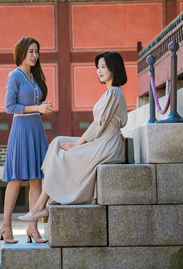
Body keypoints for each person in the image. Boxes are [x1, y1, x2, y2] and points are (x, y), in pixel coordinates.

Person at [18, 51, 128, 222]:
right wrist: (78, 143)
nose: (99, 71)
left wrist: (78, 144)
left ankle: (40, 206)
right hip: (101, 140)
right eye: (98, 67)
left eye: (104, 67)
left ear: (114, 68)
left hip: (108, 144)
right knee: (57, 142)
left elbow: (99, 124)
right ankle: (46, 201)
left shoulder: (114, 92)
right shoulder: (109, 93)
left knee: (67, 153)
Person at [0, 37, 54, 244]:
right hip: (21, 131)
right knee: (16, 179)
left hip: (37, 130)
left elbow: (35, 105)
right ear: (21, 53)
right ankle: (6, 226)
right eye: (31, 51)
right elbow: (9, 107)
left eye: (37, 51)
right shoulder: (15, 76)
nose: (34, 55)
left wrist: (43, 108)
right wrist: (37, 108)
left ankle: (32, 227)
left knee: (37, 179)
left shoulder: (36, 76)